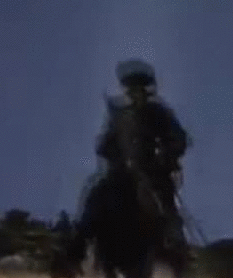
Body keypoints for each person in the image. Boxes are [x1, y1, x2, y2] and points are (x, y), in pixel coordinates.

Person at [78, 59, 193, 260]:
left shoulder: (159, 112)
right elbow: (105, 144)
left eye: (139, 89)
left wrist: (164, 156)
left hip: (153, 169)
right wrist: (111, 151)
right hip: (121, 171)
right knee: (96, 195)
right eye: (131, 90)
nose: (134, 94)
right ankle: (80, 246)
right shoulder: (120, 116)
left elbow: (179, 139)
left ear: (146, 91)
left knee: (164, 202)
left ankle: (175, 244)